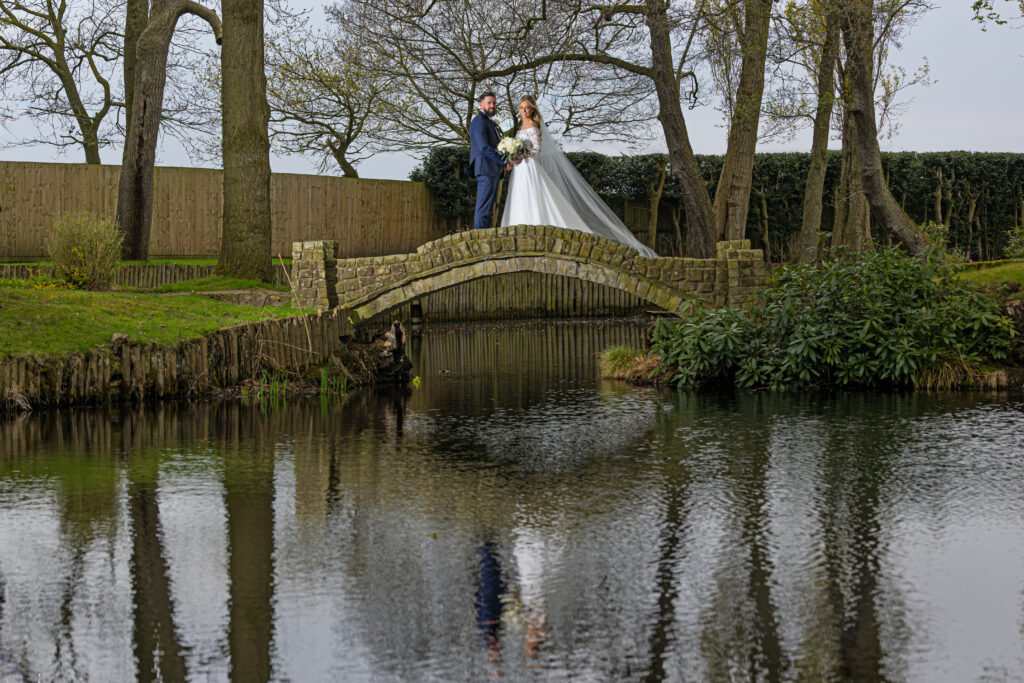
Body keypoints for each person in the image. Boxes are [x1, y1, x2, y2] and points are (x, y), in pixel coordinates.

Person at [500, 95, 657, 257]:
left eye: (526, 107)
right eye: (521, 108)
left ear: (532, 109)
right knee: (520, 197)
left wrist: (521, 153)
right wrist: (513, 155)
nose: (523, 111)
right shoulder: (520, 127)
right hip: (519, 168)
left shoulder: (533, 125)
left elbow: (536, 149)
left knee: (534, 196)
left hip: (529, 167)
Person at [467, 91, 515, 230]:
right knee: (483, 209)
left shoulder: (489, 122)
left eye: (494, 103)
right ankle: (480, 241)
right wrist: (504, 160)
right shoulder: (479, 122)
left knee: (487, 208)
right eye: (489, 103)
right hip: (485, 169)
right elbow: (483, 147)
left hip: (491, 169)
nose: (492, 105)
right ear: (481, 104)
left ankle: (483, 240)